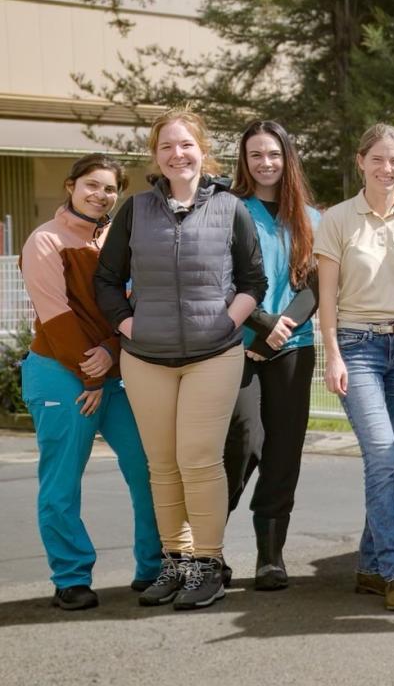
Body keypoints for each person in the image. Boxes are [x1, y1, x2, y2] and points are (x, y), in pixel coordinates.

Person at [95, 109, 268, 611]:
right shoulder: (135, 209)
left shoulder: (231, 207)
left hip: (212, 355)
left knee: (198, 459)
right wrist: (131, 326)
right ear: (156, 156)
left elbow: (253, 281)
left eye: (186, 145)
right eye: (167, 146)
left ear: (202, 149)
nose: (178, 154)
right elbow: (106, 280)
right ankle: (177, 562)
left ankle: (207, 565)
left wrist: (227, 323)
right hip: (146, 357)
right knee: (163, 464)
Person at [21, 154, 162, 610]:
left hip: (111, 370)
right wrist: (93, 373)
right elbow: (57, 318)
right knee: (62, 481)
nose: (100, 195)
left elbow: (133, 309)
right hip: (61, 373)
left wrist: (111, 354)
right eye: (92, 185)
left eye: (110, 189)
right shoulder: (45, 241)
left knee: (147, 468)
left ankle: (153, 567)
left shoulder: (119, 241)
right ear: (70, 186)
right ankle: (71, 576)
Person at [315, 123, 394, 612]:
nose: (386, 169)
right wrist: (333, 354)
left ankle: (368, 565)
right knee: (385, 456)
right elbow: (326, 294)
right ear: (360, 162)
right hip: (358, 347)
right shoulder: (339, 220)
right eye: (377, 160)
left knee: (392, 464)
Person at [222, 121, 322, 591]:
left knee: (283, 452)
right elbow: (219, 281)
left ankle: (269, 556)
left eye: (274, 154)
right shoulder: (226, 210)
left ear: (288, 158)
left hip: (293, 348)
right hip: (237, 347)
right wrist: (260, 327)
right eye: (256, 154)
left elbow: (315, 285)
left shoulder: (310, 218)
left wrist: (281, 330)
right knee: (240, 446)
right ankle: (206, 551)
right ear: (244, 159)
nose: (266, 163)